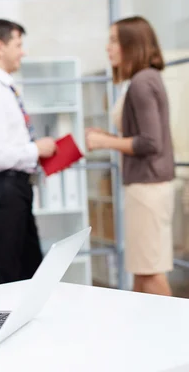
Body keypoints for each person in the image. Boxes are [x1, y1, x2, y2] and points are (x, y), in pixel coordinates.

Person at [85, 16, 175, 296]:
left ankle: (178, 335)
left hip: (147, 188)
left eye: (113, 40)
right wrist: (110, 137)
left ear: (131, 44)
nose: (107, 47)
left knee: (150, 272)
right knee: (142, 271)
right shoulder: (144, 79)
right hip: (146, 186)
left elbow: (150, 142)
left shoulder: (141, 83)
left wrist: (103, 141)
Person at [0, 19, 57, 285]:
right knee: (9, 270)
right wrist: (36, 149)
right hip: (3, 187)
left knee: (28, 268)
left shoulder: (3, 88)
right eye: (18, 45)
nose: (23, 52)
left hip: (14, 188)